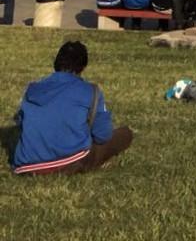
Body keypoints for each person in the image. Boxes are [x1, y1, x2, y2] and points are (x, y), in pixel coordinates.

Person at [12, 40, 134, 175]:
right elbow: (103, 136)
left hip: (25, 164)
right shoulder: (90, 91)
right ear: (83, 67)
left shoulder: (32, 89)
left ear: (56, 63)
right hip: (68, 162)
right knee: (124, 134)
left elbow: (22, 123)